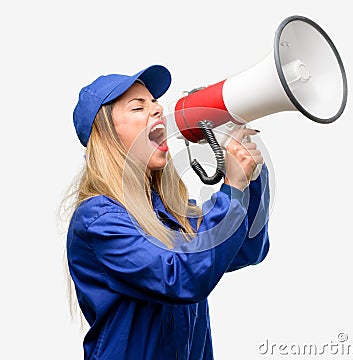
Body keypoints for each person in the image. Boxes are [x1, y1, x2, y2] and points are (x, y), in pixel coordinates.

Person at [66, 64, 270, 359]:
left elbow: (247, 250)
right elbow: (183, 277)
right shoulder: (99, 221)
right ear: (107, 135)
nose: (157, 110)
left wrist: (249, 180)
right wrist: (232, 187)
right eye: (138, 108)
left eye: (155, 103)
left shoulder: (171, 213)